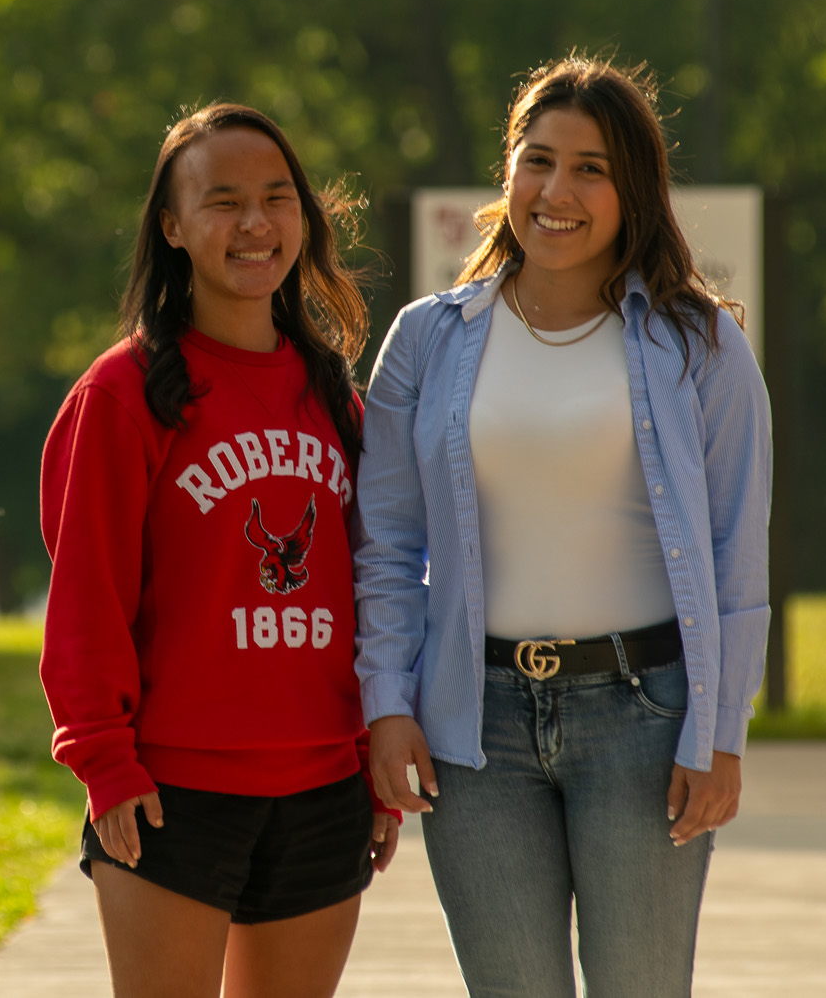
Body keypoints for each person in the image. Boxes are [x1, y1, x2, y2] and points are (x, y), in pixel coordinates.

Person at [356, 57, 771, 997]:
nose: (557, 191)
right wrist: (386, 697)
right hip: (476, 726)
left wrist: (724, 735)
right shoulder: (426, 338)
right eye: (537, 160)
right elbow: (384, 544)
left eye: (592, 168)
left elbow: (737, 554)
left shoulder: (701, 345)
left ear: (635, 191)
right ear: (506, 170)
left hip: (647, 716)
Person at [39, 103, 398, 998]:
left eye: (278, 198)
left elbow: (372, 587)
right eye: (223, 200)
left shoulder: (332, 396)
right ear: (171, 225)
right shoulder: (124, 393)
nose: (254, 224)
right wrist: (103, 760)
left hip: (322, 789)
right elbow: (86, 597)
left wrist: (372, 764)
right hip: (171, 793)